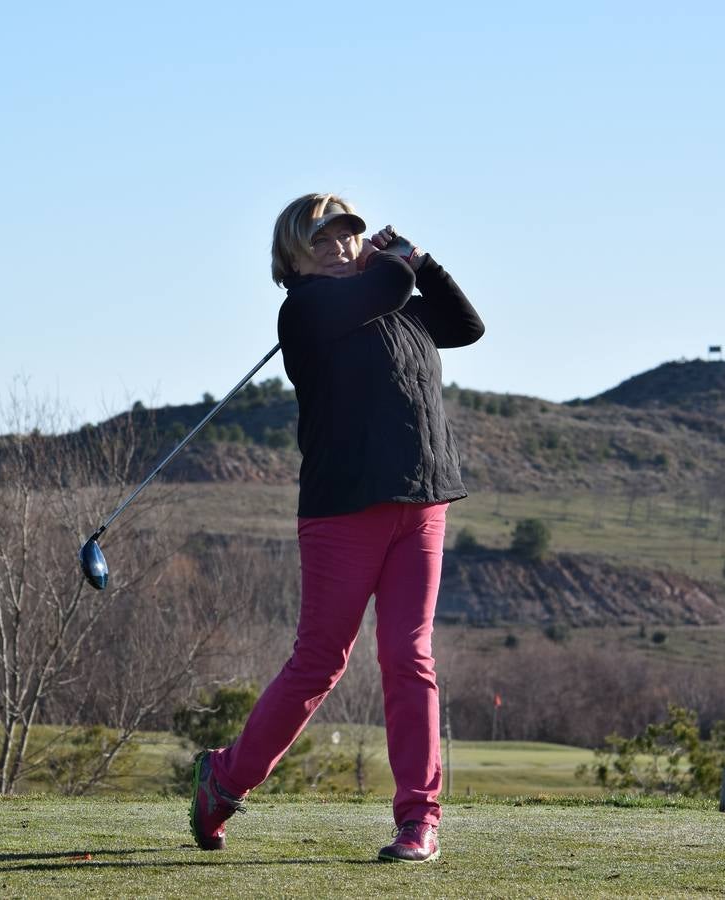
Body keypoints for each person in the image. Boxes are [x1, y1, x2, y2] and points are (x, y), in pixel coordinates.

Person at [189, 192, 484, 863]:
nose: (338, 245)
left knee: (410, 659)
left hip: (423, 502)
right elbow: (388, 281)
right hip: (343, 511)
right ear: (291, 256)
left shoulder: (399, 312)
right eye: (318, 238)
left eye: (347, 234)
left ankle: (419, 819)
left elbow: (465, 326)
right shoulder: (307, 309)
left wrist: (422, 260)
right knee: (320, 662)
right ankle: (225, 780)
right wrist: (397, 260)